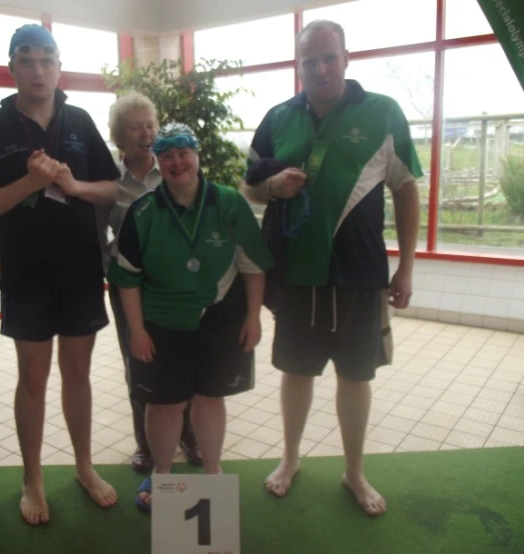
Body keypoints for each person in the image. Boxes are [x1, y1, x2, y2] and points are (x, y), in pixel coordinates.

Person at [240, 20, 421, 517]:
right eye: (309, 61)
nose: (319, 68)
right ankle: (291, 458)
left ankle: (354, 471)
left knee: (356, 376)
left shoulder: (382, 112)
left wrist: (405, 267)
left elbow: (406, 189)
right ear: (298, 66)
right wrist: (271, 188)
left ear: (346, 57)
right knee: (296, 371)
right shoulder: (278, 117)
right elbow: (249, 186)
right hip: (296, 273)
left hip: (360, 273)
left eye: (327, 57)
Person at [0, 24, 121, 525]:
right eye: (26, 60)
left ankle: (83, 465)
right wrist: (29, 181)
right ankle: (32, 477)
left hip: (79, 269)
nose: (37, 69)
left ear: (58, 66)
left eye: (46, 59)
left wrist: (73, 186)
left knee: (78, 373)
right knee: (33, 377)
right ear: (12, 68)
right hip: (28, 274)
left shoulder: (79, 119)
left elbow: (111, 189)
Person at [108, 123, 273, 512]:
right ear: (158, 161)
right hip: (161, 321)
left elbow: (253, 267)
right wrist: (136, 330)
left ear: (197, 156)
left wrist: (253, 317)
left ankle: (212, 472)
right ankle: (163, 475)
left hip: (219, 317)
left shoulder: (230, 203)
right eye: (166, 155)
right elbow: (126, 278)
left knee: (209, 398)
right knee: (163, 404)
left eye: (184, 153)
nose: (176, 162)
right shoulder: (143, 210)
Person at [101, 91, 202, 473]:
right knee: (138, 363)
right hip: (129, 287)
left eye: (150, 125)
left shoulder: (175, 167)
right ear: (120, 137)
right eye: (135, 127)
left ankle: (188, 436)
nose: (145, 133)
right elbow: (98, 232)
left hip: (176, 285)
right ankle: (144, 442)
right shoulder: (110, 179)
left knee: (183, 359)